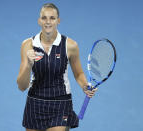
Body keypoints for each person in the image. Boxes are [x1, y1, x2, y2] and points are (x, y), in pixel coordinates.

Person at [17, 3, 97, 131]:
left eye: (52, 18)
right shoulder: (27, 45)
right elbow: (22, 86)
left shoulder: (70, 45)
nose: (48, 22)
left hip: (60, 103)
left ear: (58, 21)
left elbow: (78, 74)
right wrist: (28, 65)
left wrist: (84, 85)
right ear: (39, 21)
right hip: (35, 102)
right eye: (44, 18)